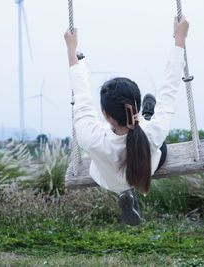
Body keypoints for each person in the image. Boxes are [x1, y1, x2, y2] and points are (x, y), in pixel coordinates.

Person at [64, 16, 189, 226]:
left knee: (104, 155)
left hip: (109, 180)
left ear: (105, 114)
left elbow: (82, 100)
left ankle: (124, 190)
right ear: (135, 105)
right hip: (144, 170)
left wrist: (72, 51)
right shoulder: (153, 133)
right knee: (158, 140)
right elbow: (169, 90)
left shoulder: (90, 137)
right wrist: (180, 38)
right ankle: (147, 115)